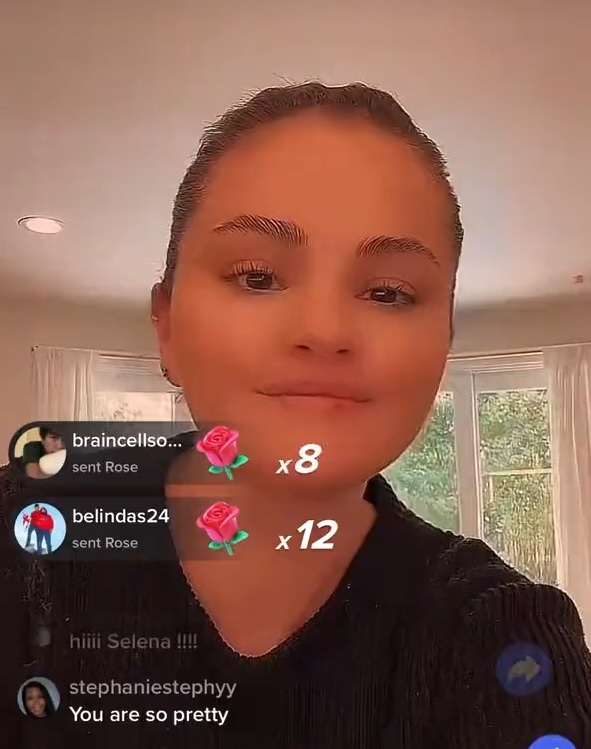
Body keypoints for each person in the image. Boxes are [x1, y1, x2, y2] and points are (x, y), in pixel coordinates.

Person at [1, 82, 590, 747]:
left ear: (444, 342)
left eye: (388, 292)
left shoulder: (502, 631)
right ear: (166, 326)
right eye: (257, 277)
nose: (324, 330)